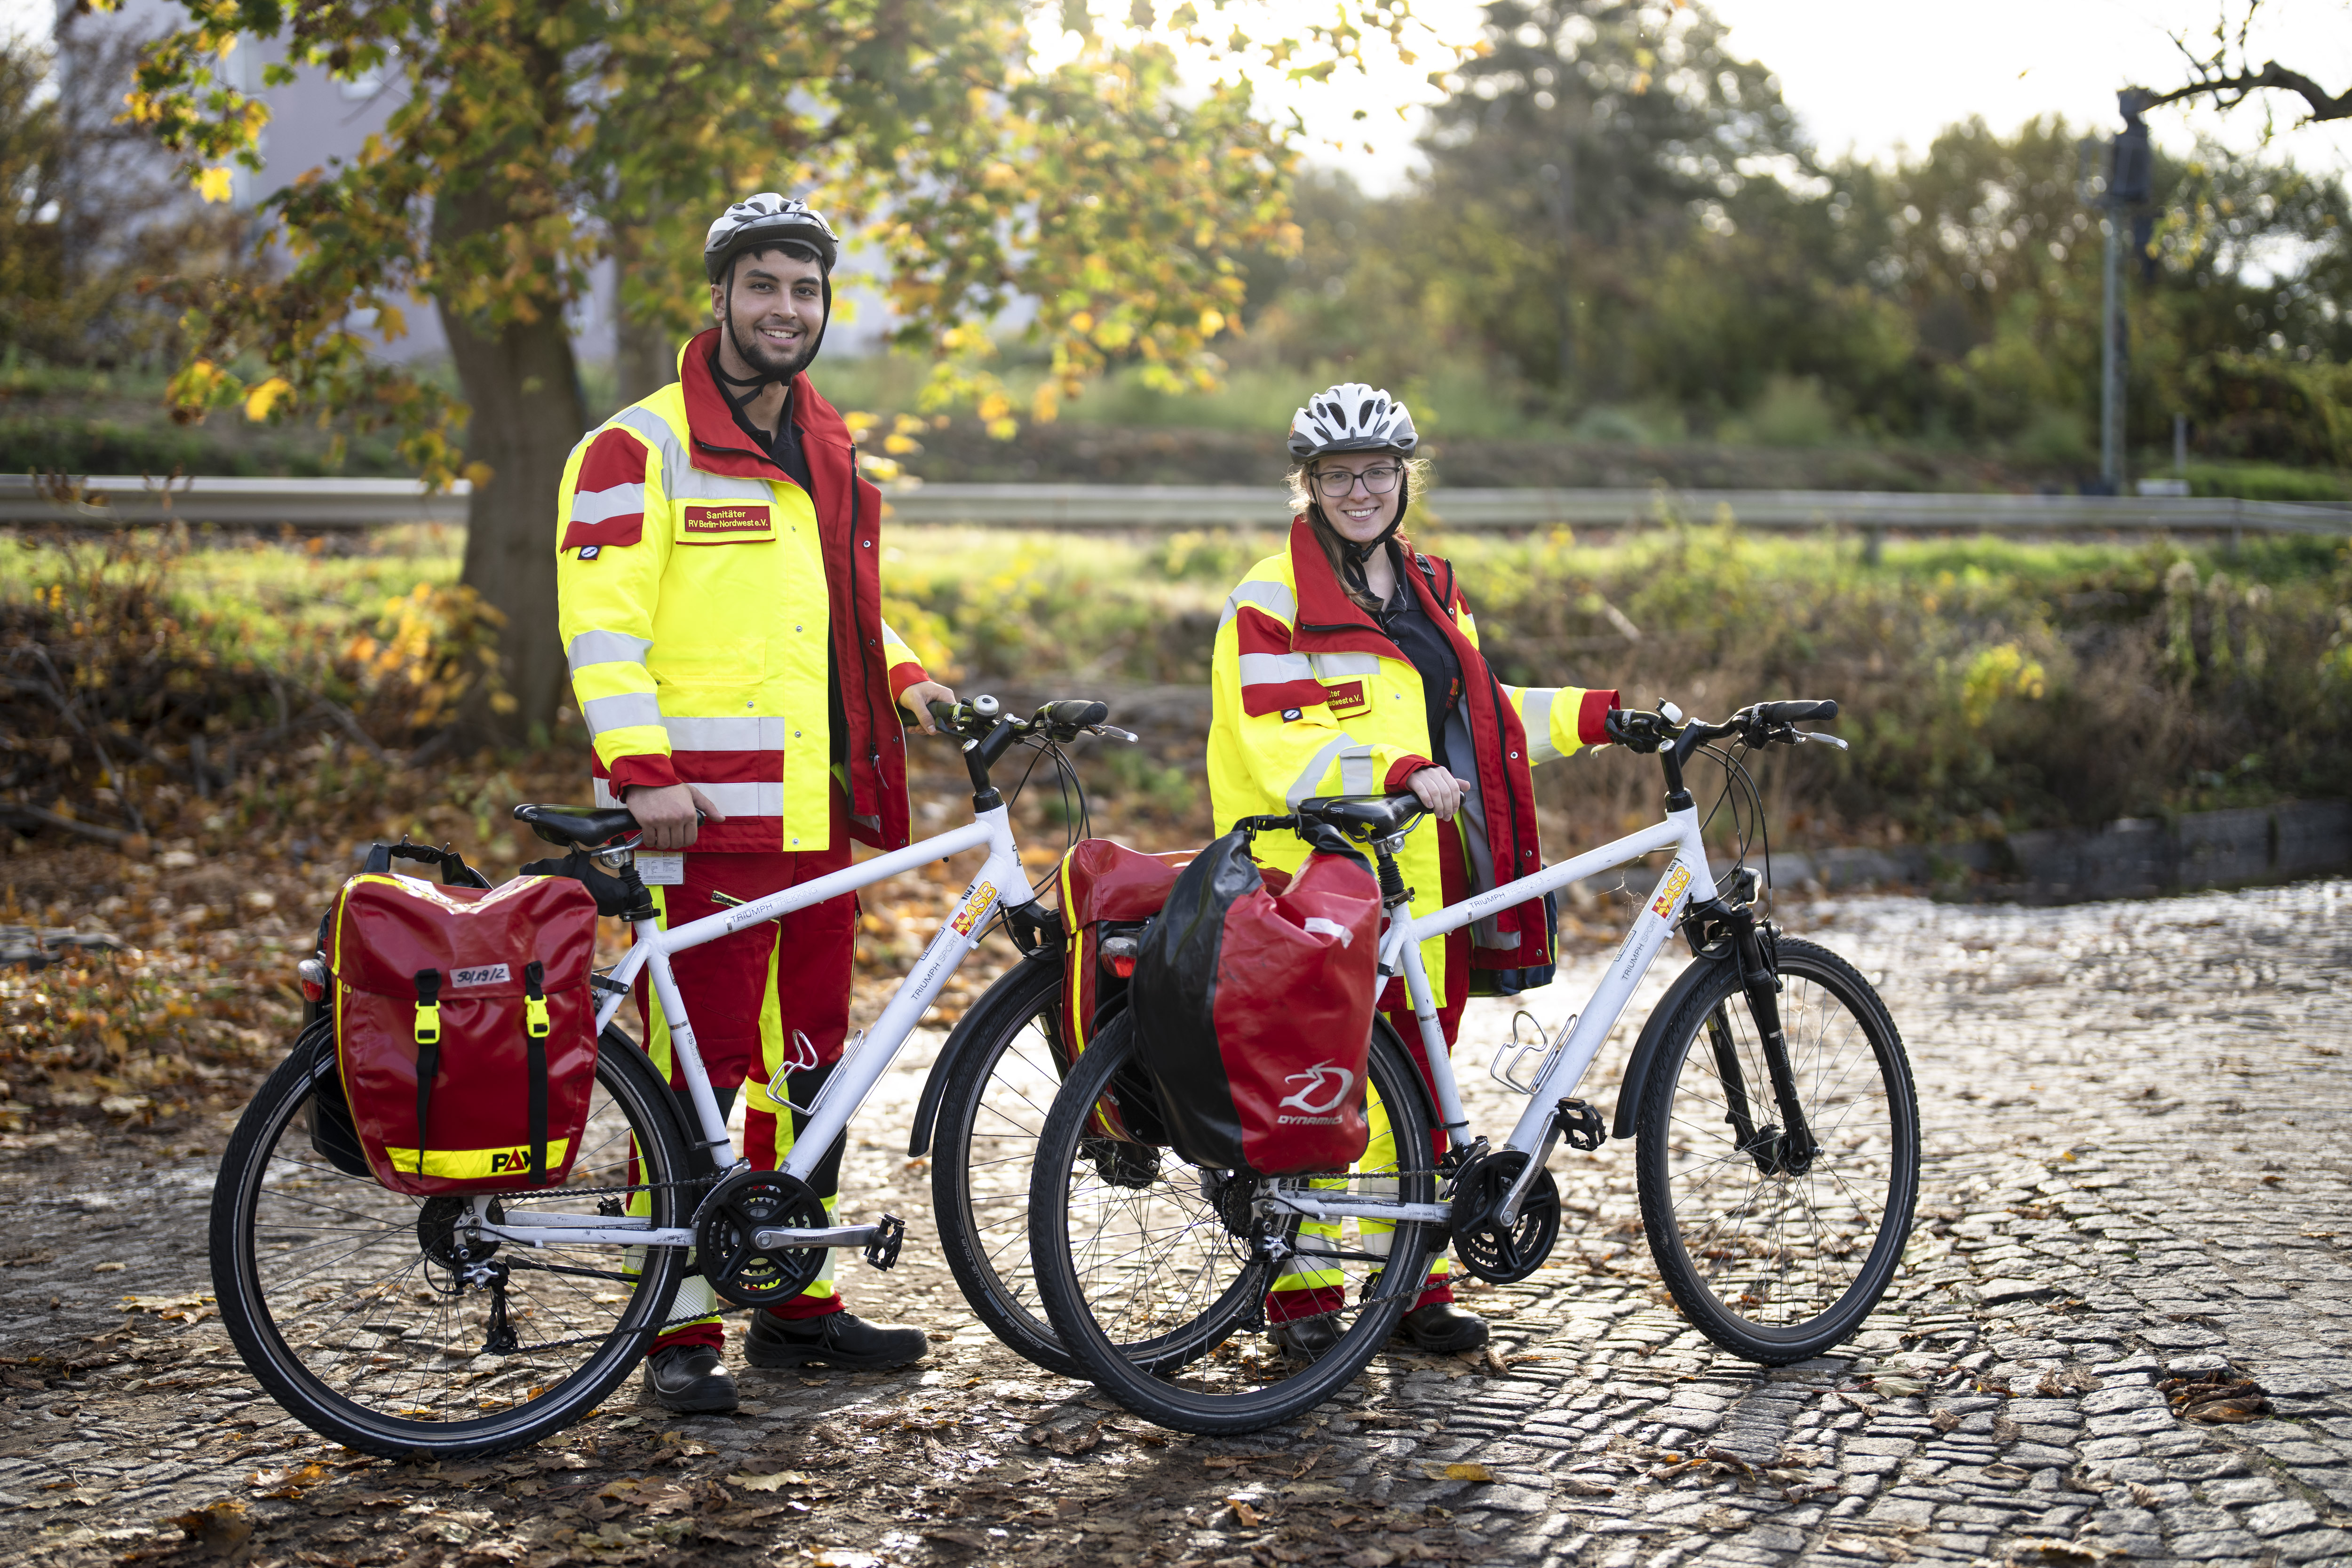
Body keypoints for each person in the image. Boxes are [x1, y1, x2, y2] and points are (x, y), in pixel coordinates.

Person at [555, 193, 956, 1413]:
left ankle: (793, 1295)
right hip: (699, 818)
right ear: (719, 297)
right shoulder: (638, 448)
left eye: (806, 290)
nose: (787, 309)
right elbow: (604, 627)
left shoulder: (824, 448)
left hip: (812, 814)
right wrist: (642, 770)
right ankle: (671, 1321)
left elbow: (831, 604)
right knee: (700, 1068)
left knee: (808, 1066)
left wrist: (905, 674)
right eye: (765, 285)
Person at [1206, 383, 1622, 1358]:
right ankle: (1303, 1294)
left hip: (1423, 878)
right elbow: (1276, 735)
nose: (1360, 490)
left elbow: (1474, 720)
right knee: (1321, 1080)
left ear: (1405, 478)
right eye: (1338, 474)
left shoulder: (1433, 585)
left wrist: (1601, 716)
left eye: (1378, 472)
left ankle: (1412, 1285)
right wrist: (1396, 772)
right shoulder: (1268, 597)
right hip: (1310, 875)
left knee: (1423, 1088)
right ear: (1305, 485)